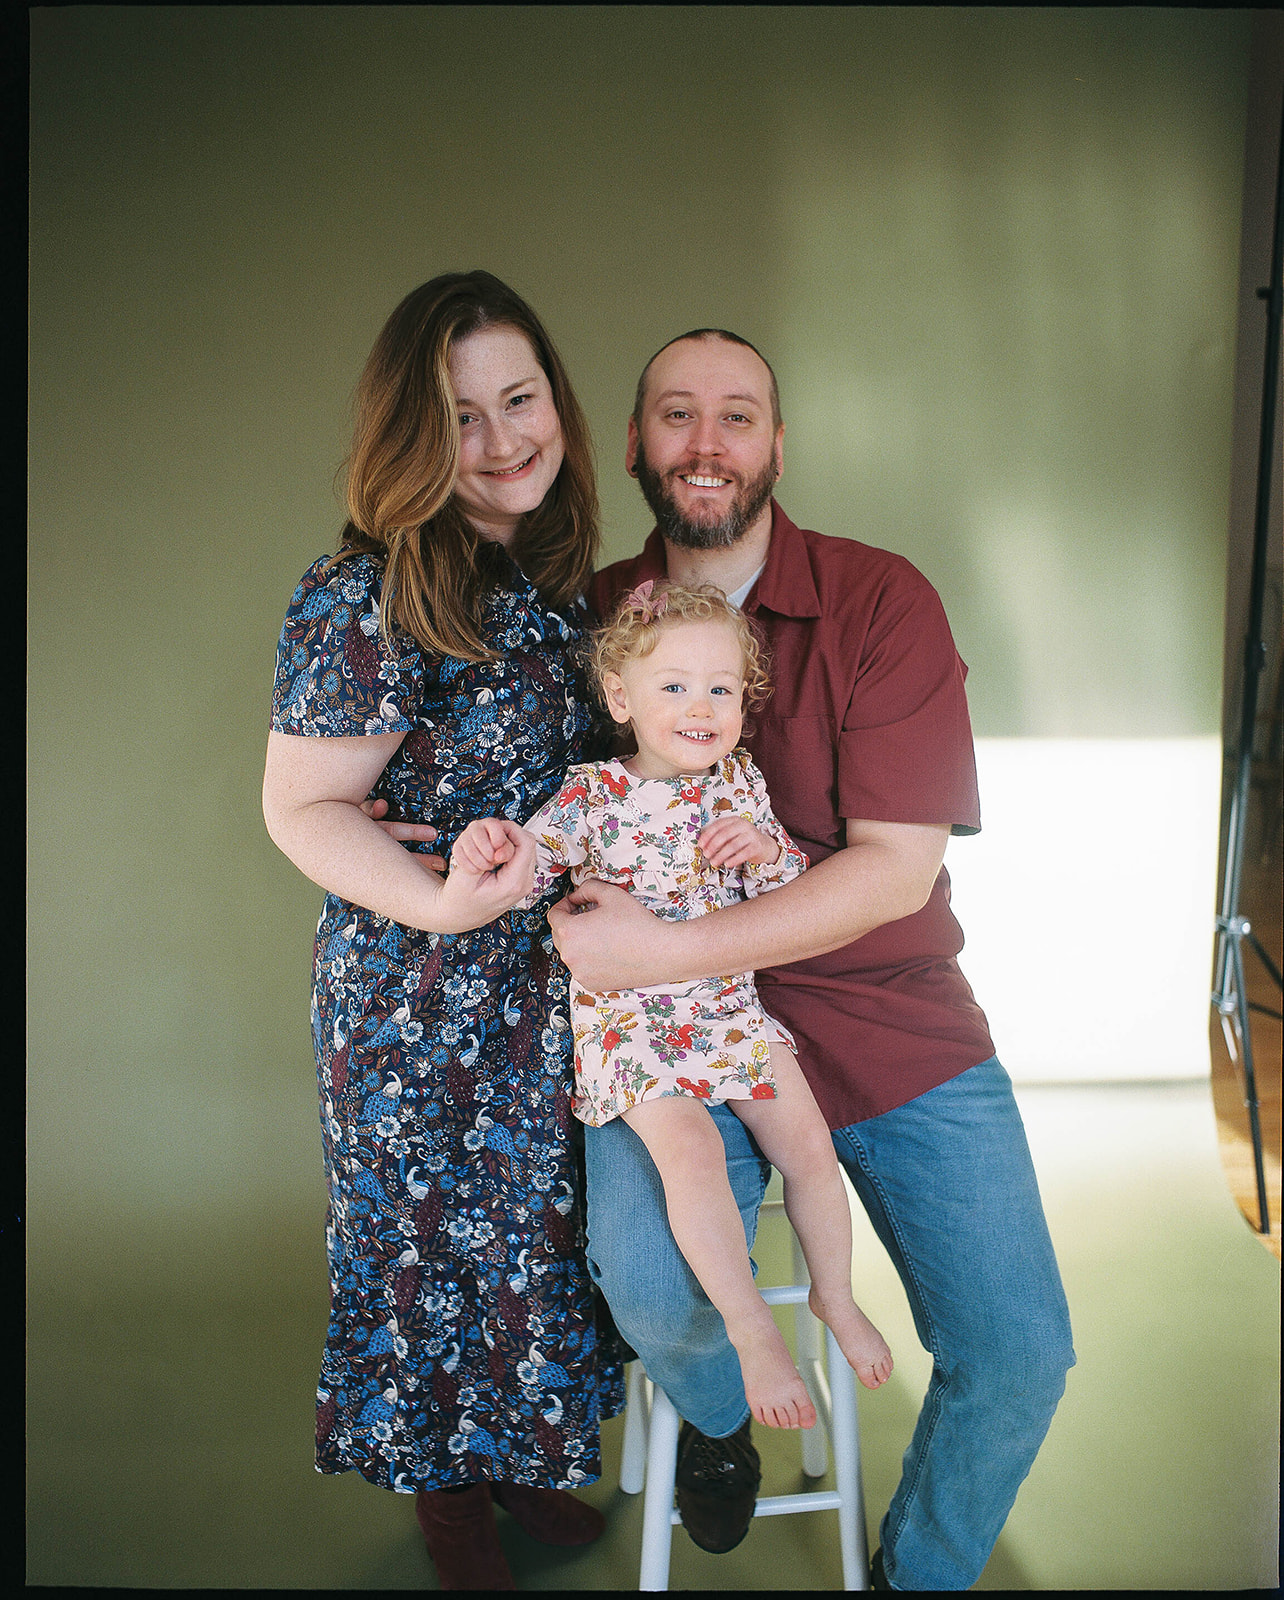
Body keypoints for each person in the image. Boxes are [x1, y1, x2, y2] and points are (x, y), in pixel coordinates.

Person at [545, 328, 1076, 1590]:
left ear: (778, 444)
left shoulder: (883, 598)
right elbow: (523, 817)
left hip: (886, 1011)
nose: (707, 441)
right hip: (664, 1030)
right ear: (635, 447)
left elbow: (894, 869)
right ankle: (722, 1426)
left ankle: (916, 1576)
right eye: (676, 414)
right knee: (649, 1282)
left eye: (739, 415)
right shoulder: (589, 621)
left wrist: (662, 942)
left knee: (1019, 1350)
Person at [260, 270, 627, 1593]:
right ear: (417, 441)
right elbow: (300, 806)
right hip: (416, 990)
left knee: (534, 1241)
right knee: (425, 1255)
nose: (504, 435)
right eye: (462, 417)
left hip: (541, 990)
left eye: (519, 398)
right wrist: (438, 901)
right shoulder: (364, 590)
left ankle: (526, 1462)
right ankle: (449, 1502)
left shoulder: (542, 579)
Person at [450, 580, 894, 1431]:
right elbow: (522, 878)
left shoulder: (739, 786)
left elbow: (779, 896)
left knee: (809, 1146)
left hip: (727, 1008)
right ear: (621, 697)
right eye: (676, 686)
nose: (703, 706)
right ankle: (752, 1327)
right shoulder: (590, 796)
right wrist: (489, 844)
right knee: (688, 1155)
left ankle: (836, 1297)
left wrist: (765, 850)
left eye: (722, 689)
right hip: (634, 1028)